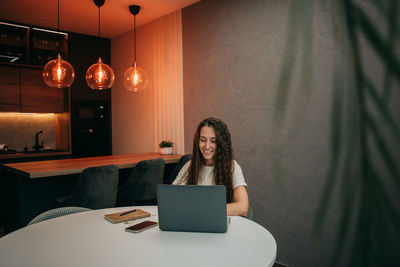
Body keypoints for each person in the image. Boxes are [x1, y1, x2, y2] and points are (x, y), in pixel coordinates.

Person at [173, 117, 249, 216]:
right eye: (203, 140)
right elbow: (172, 199)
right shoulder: (189, 166)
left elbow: (243, 208)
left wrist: (201, 210)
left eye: (213, 141)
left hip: (219, 224)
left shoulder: (232, 167)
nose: (207, 146)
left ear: (222, 144)